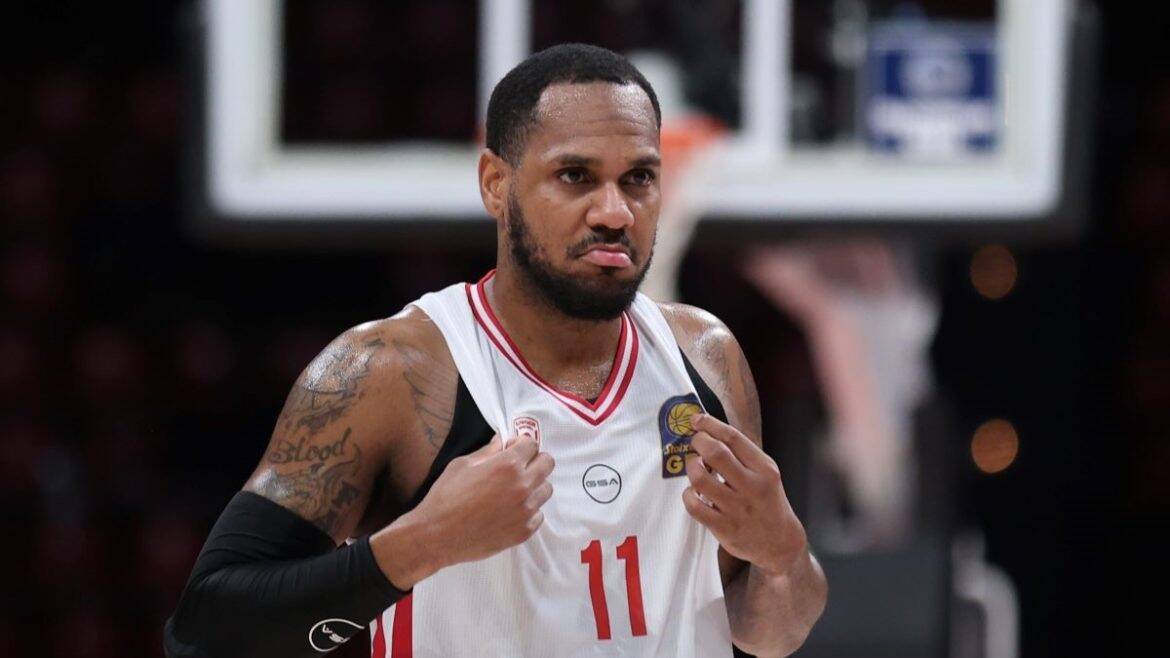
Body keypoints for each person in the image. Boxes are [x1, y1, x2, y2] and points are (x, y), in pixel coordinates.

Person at [164, 43, 826, 658]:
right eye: (575, 175)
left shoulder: (706, 356)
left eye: (638, 178)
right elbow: (204, 634)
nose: (614, 212)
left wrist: (783, 556)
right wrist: (422, 544)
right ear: (495, 184)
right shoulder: (390, 372)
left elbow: (770, 634)